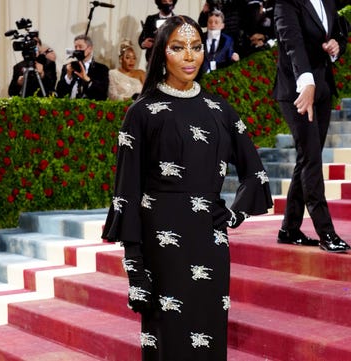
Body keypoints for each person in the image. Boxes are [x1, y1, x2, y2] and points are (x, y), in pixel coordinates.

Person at [102, 15, 273, 360]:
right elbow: (126, 194)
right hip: (160, 249)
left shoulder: (220, 110)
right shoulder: (141, 113)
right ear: (162, 54)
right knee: (168, 344)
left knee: (209, 341)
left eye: (195, 47)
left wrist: (234, 214)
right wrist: (135, 268)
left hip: (209, 243)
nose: (190, 56)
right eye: (178, 48)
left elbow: (256, 174)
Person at [273, 0, 351, 253]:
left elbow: (339, 28)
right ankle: (326, 232)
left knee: (309, 156)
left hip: (323, 88)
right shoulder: (286, 3)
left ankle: (289, 229)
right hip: (297, 90)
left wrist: (337, 45)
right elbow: (291, 42)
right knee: (311, 160)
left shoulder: (328, 1)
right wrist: (305, 82)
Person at [56, 34, 109, 100]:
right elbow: (59, 93)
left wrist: (88, 80)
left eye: (80, 47)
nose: (77, 49)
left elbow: (103, 93)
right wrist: (68, 76)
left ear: (90, 48)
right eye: (76, 47)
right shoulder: (68, 67)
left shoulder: (101, 69)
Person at [202, 9, 239, 73]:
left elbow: (229, 59)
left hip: (220, 75)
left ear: (222, 25)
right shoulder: (200, 38)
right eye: (210, 22)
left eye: (216, 22)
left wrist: (234, 58)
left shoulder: (228, 40)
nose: (213, 25)